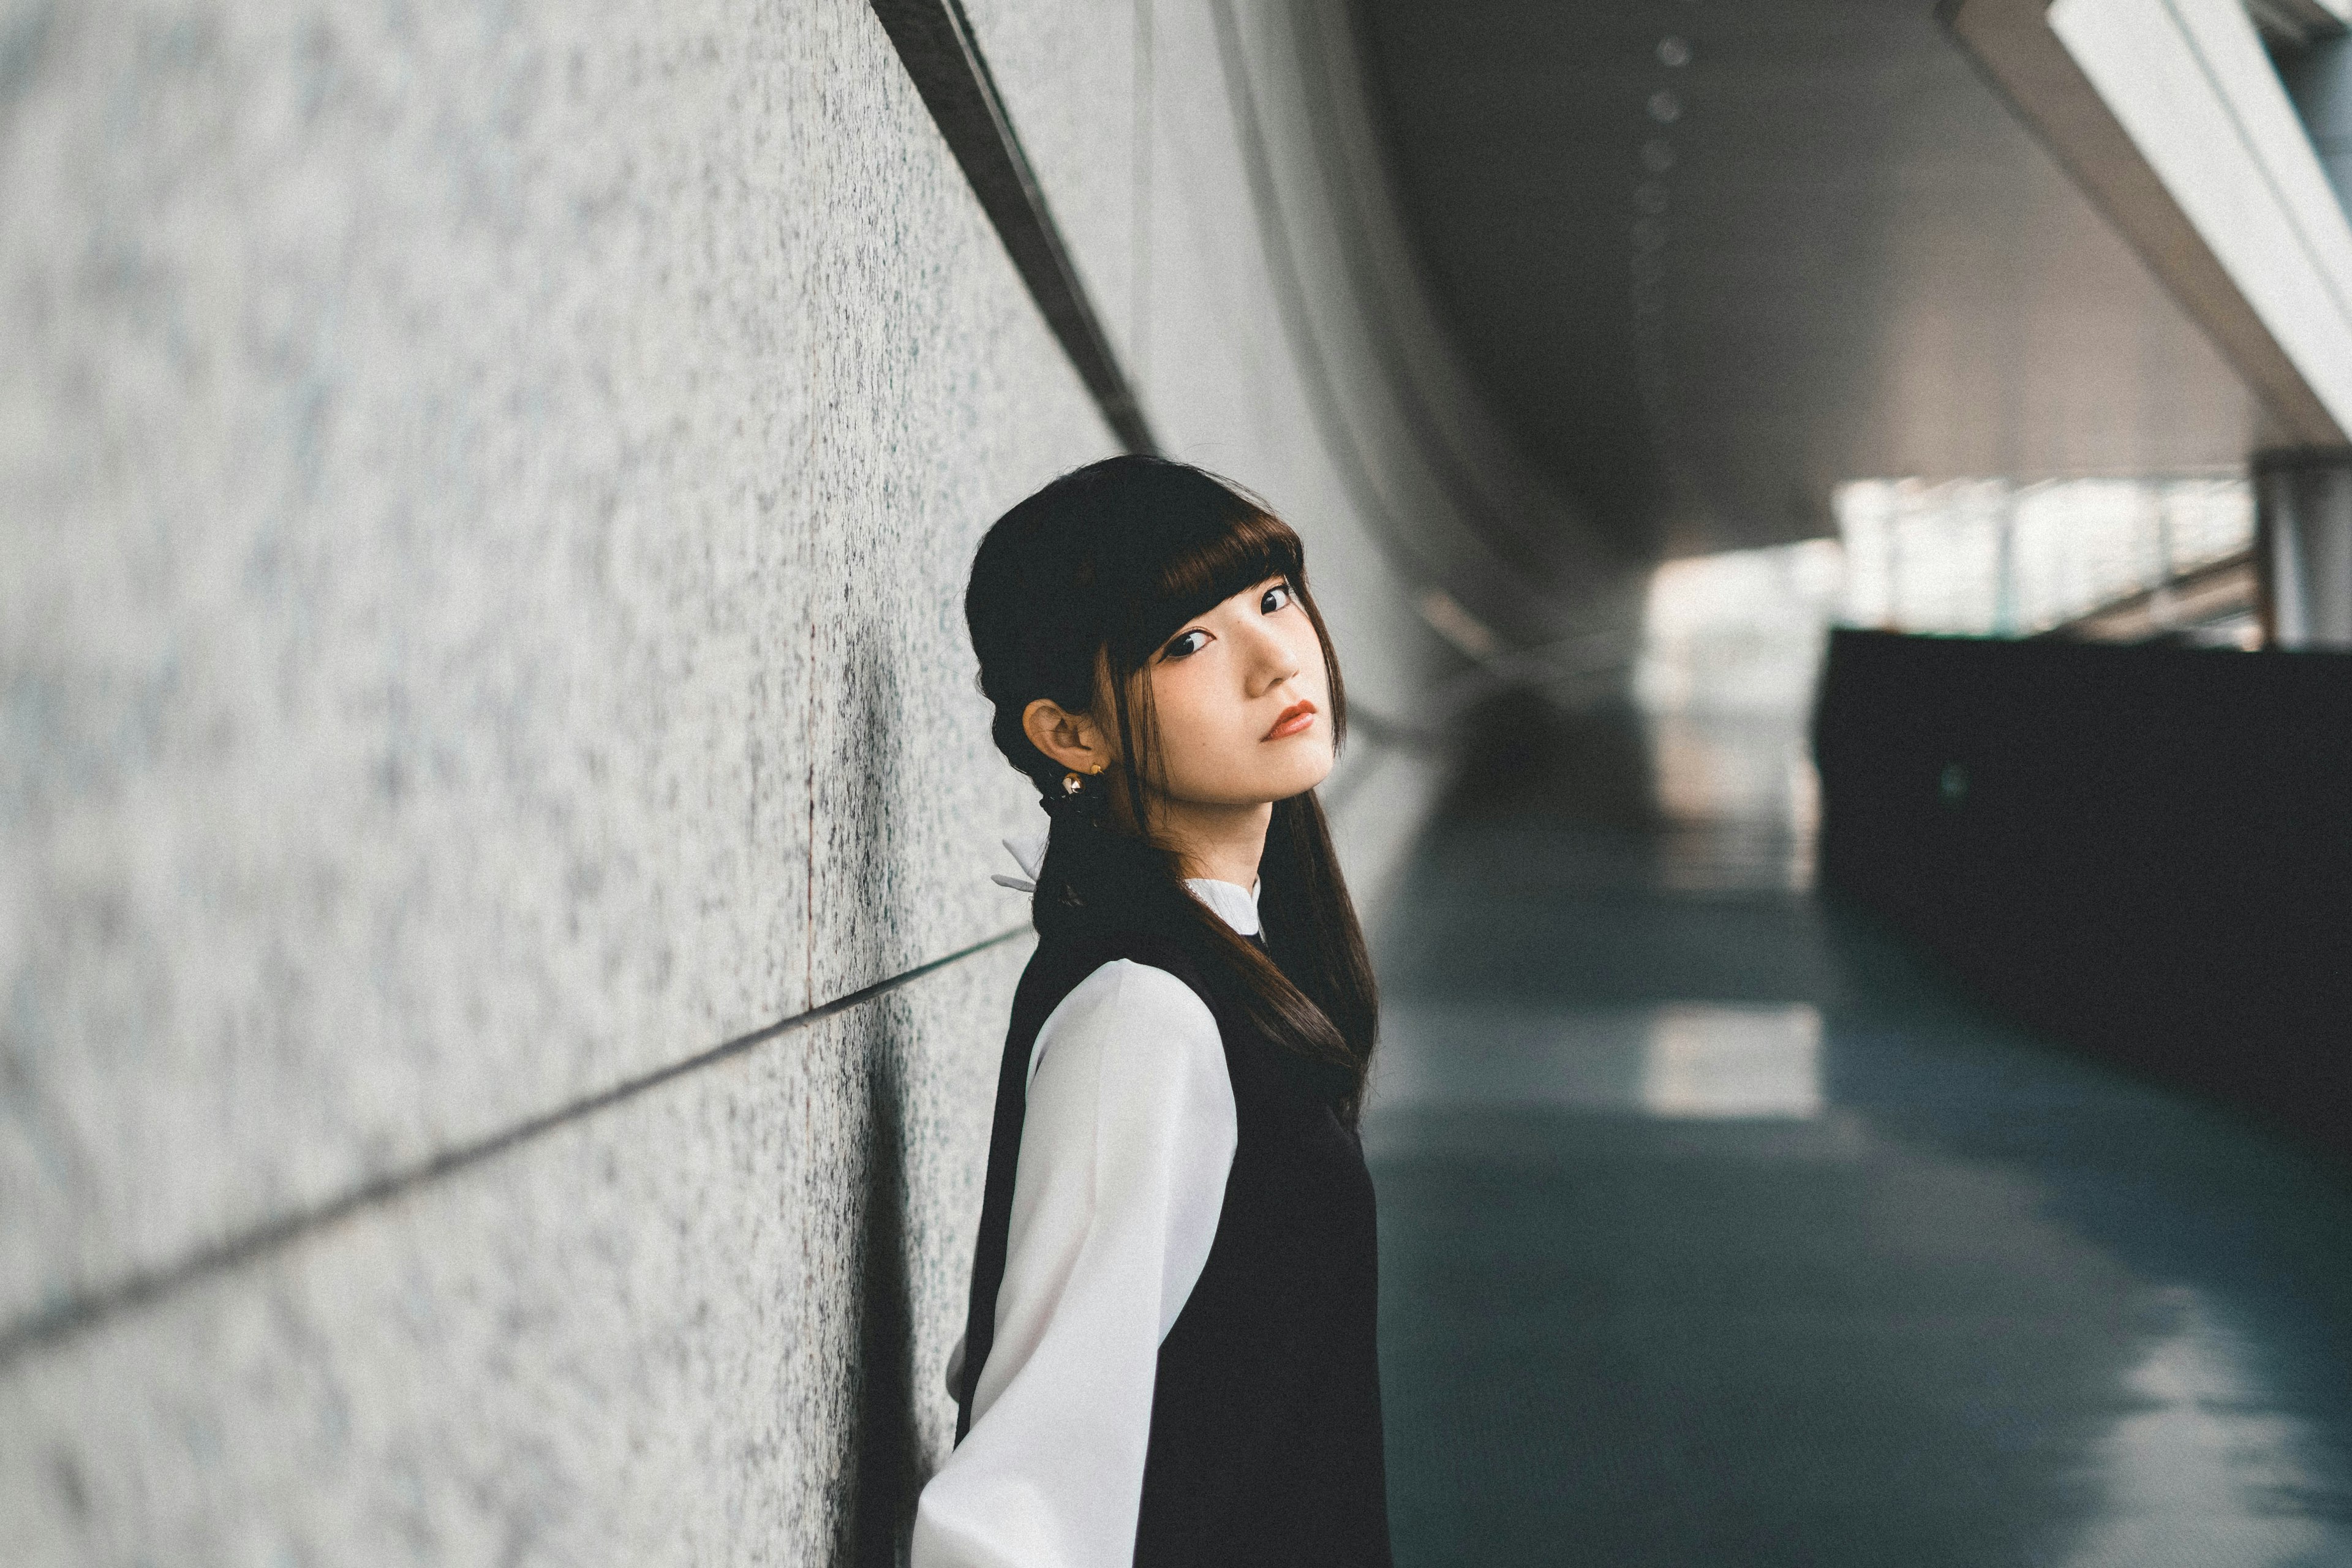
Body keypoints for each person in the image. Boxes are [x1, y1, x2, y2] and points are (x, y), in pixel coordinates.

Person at [911, 456, 1392, 1568]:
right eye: (1187, 643)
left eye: (1272, 599)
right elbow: (1024, 1489)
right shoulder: (1147, 1013)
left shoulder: (1235, 961)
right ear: (1071, 735)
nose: (1279, 657)